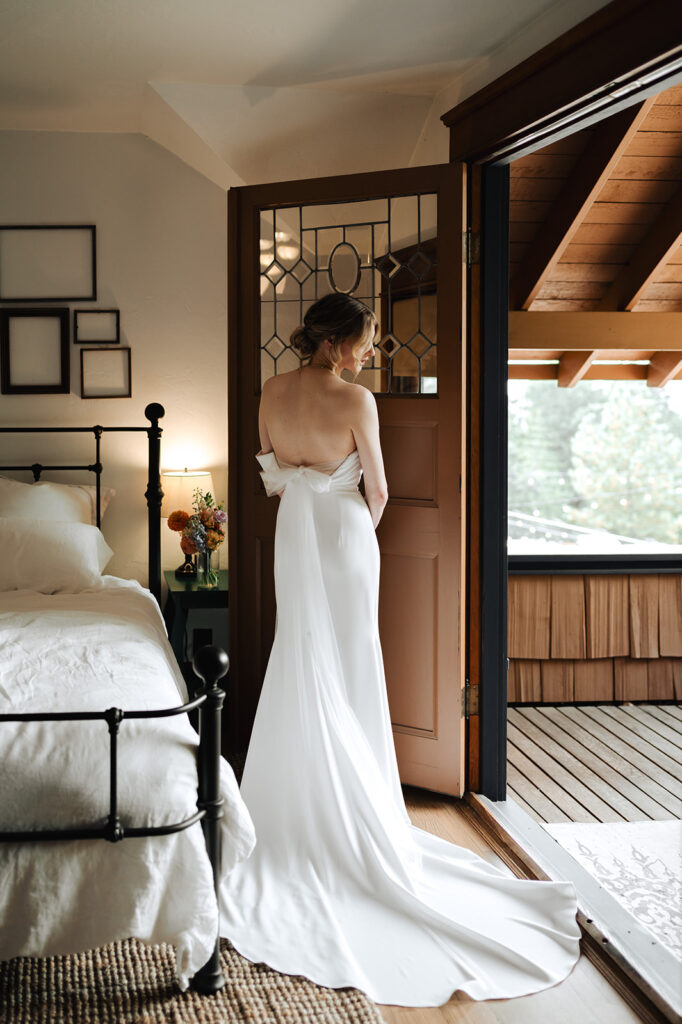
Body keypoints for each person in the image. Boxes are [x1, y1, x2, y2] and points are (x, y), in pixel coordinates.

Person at [218, 292, 581, 1007]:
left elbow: (269, 469)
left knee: (301, 653)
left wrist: (311, 497)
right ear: (337, 342)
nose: (368, 353)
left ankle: (297, 807)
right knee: (352, 659)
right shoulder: (356, 401)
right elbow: (379, 491)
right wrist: (352, 518)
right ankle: (362, 808)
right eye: (364, 340)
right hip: (345, 533)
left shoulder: (271, 389)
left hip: (294, 528)